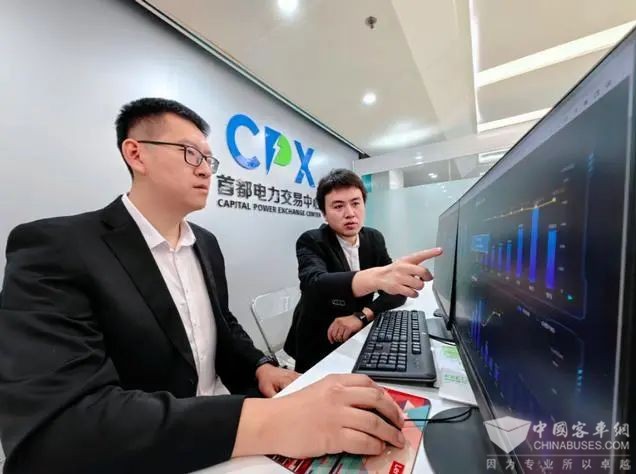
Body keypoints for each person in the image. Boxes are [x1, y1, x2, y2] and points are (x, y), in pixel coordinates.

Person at [0, 99, 409, 473]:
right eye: (190, 154)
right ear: (136, 153)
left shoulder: (205, 244)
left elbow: (221, 324)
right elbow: (56, 429)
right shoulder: (57, 248)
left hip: (228, 432)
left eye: (209, 160)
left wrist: (260, 366)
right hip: (152, 452)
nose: (205, 170)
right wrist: (267, 421)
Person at [285, 169, 442, 372]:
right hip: (319, 337)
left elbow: (394, 293)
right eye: (338, 206)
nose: (350, 213)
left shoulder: (373, 238)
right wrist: (378, 278)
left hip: (359, 331)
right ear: (324, 214)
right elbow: (314, 284)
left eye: (355, 203)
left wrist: (362, 315)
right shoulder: (312, 240)